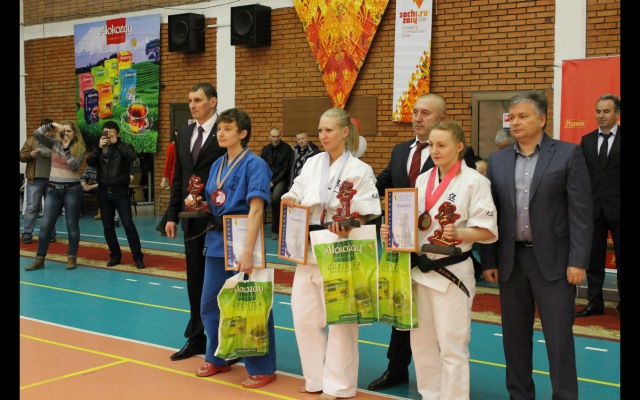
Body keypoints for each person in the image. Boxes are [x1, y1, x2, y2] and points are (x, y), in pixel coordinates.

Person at [480, 90, 592, 400]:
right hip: (510, 261)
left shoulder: (568, 154)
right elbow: (491, 213)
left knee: (559, 339)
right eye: (512, 117)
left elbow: (581, 213)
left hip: (555, 262)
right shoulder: (498, 160)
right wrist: (489, 260)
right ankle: (519, 395)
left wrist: (578, 260)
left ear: (541, 120)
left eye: (523, 116)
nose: (515, 122)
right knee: (514, 339)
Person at [380, 120, 498, 399]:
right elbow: (414, 222)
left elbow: (488, 231)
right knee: (422, 343)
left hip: (452, 271)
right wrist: (392, 231)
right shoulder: (423, 179)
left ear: (459, 147)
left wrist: (460, 233)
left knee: (452, 345)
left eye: (442, 145)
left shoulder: (475, 181)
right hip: (420, 270)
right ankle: (430, 394)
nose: (435, 150)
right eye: (432, 144)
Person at [369, 93, 477, 391]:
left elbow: (470, 204)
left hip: (442, 254)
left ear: (442, 119)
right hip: (405, 246)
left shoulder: (462, 158)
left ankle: (449, 389)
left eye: (425, 113)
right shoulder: (400, 150)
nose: (417, 118)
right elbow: (384, 181)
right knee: (404, 315)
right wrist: (360, 201)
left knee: (444, 332)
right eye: (415, 112)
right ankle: (396, 369)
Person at [282, 107, 381, 400]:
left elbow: (367, 211)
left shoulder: (359, 169)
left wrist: (350, 223)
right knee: (304, 316)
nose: (323, 136)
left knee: (341, 319)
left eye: (329, 130)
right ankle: (315, 378)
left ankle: (339, 385)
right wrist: (290, 197)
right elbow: (297, 189)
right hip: (308, 245)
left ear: (345, 132)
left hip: (340, 244)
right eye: (320, 130)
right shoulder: (312, 163)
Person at [186, 107, 277, 389]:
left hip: (244, 238)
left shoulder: (255, 164)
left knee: (252, 304)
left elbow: (256, 210)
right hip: (217, 240)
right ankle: (219, 357)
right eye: (219, 129)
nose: (221, 133)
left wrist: (248, 252)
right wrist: (198, 203)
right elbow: (216, 200)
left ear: (243, 133)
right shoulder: (217, 164)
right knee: (210, 303)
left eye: (227, 129)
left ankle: (262, 367)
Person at [164, 83, 227, 362]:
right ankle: (197, 337)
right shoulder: (185, 134)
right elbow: (179, 176)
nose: (192, 105)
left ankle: (225, 339)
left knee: (220, 281)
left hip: (217, 219)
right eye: (190, 100)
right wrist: (171, 215)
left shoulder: (224, 131)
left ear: (213, 102)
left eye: (198, 100)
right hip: (190, 219)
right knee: (195, 279)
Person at [576, 94, 621, 316]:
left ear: (617, 114)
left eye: (606, 111)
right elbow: (581, 174)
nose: (601, 116)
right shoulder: (587, 140)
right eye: (598, 111)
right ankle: (595, 303)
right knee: (594, 260)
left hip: (619, 209)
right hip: (593, 210)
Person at [25, 120, 86, 271]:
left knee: (72, 225)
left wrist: (66, 148)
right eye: (64, 131)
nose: (66, 133)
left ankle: (71, 257)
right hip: (53, 189)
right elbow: (37, 134)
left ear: (75, 134)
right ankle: (39, 259)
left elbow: (73, 166)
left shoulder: (79, 147)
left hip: (72, 190)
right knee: (46, 225)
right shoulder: (54, 144)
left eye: (69, 131)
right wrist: (52, 125)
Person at [86, 121, 145, 270]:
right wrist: (98, 148)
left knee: (128, 225)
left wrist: (116, 143)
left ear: (118, 133)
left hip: (120, 191)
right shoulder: (100, 148)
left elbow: (132, 157)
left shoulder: (125, 146)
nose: (108, 135)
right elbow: (90, 162)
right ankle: (115, 255)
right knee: (108, 226)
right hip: (103, 191)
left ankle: (138, 257)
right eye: (105, 132)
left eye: (111, 132)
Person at [20, 118, 57, 244]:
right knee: (32, 208)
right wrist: (30, 155)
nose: (48, 133)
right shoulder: (31, 140)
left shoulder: (55, 142)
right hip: (35, 179)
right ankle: (27, 234)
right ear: (40, 129)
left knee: (51, 209)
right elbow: (21, 156)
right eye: (46, 130)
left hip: (52, 180)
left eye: (50, 131)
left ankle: (51, 234)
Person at [260, 127, 294, 240]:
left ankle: (275, 230)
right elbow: (262, 167)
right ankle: (255, 226)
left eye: (277, 136)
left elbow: (286, 169)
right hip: (268, 179)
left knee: (275, 199)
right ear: (269, 137)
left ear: (281, 136)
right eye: (273, 137)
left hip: (281, 180)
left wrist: (273, 182)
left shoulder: (287, 149)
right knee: (256, 196)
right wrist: (266, 181)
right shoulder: (265, 149)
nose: (275, 139)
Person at [156, 128, 179, 236]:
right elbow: (168, 163)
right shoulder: (171, 146)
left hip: (178, 177)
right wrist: (164, 178)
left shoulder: (179, 146)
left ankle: (162, 224)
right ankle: (163, 224)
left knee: (175, 202)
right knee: (175, 202)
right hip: (174, 178)